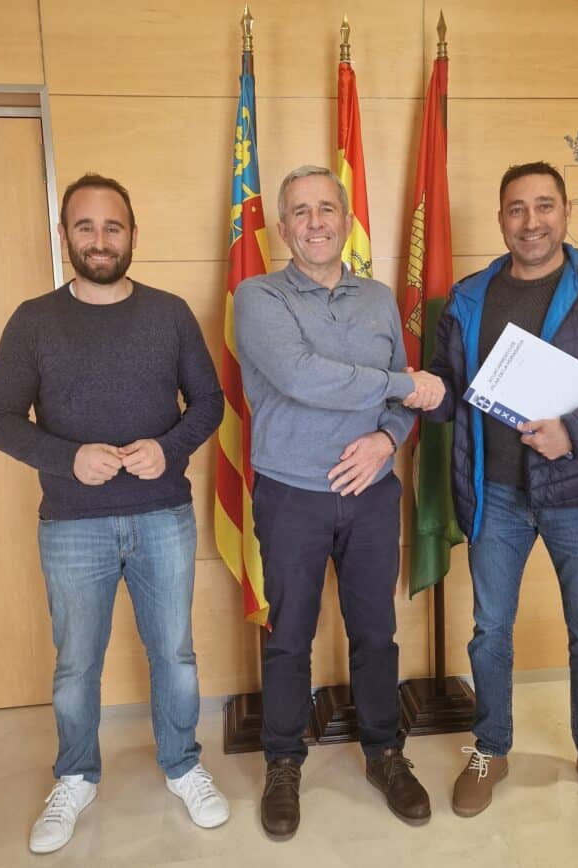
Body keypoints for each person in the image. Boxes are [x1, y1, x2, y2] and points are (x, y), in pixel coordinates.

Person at [0, 174, 228, 853]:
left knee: (173, 655)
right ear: (65, 236)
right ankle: (75, 776)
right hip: (71, 524)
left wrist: (167, 448)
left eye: (112, 226)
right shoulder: (33, 320)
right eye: (84, 227)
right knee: (76, 663)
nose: (99, 239)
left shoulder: (171, 313)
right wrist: (67, 459)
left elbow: (208, 402)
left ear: (132, 235)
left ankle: (182, 764)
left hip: (161, 516)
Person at [422, 161, 578, 825]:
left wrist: (576, 431)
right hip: (494, 495)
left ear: (565, 213)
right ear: (501, 218)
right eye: (516, 209)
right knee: (489, 632)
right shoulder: (471, 295)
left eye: (543, 206)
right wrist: (426, 390)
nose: (531, 222)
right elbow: (451, 390)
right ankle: (491, 748)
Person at [234, 165, 443, 837]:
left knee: (375, 633)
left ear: (346, 217)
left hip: (372, 494)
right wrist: (400, 384)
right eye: (301, 211)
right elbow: (300, 377)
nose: (315, 221)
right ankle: (283, 762)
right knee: (289, 638)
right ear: (282, 226)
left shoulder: (379, 298)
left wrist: (388, 437)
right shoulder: (256, 295)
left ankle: (385, 752)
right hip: (292, 494)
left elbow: (398, 405)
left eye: (327, 207)